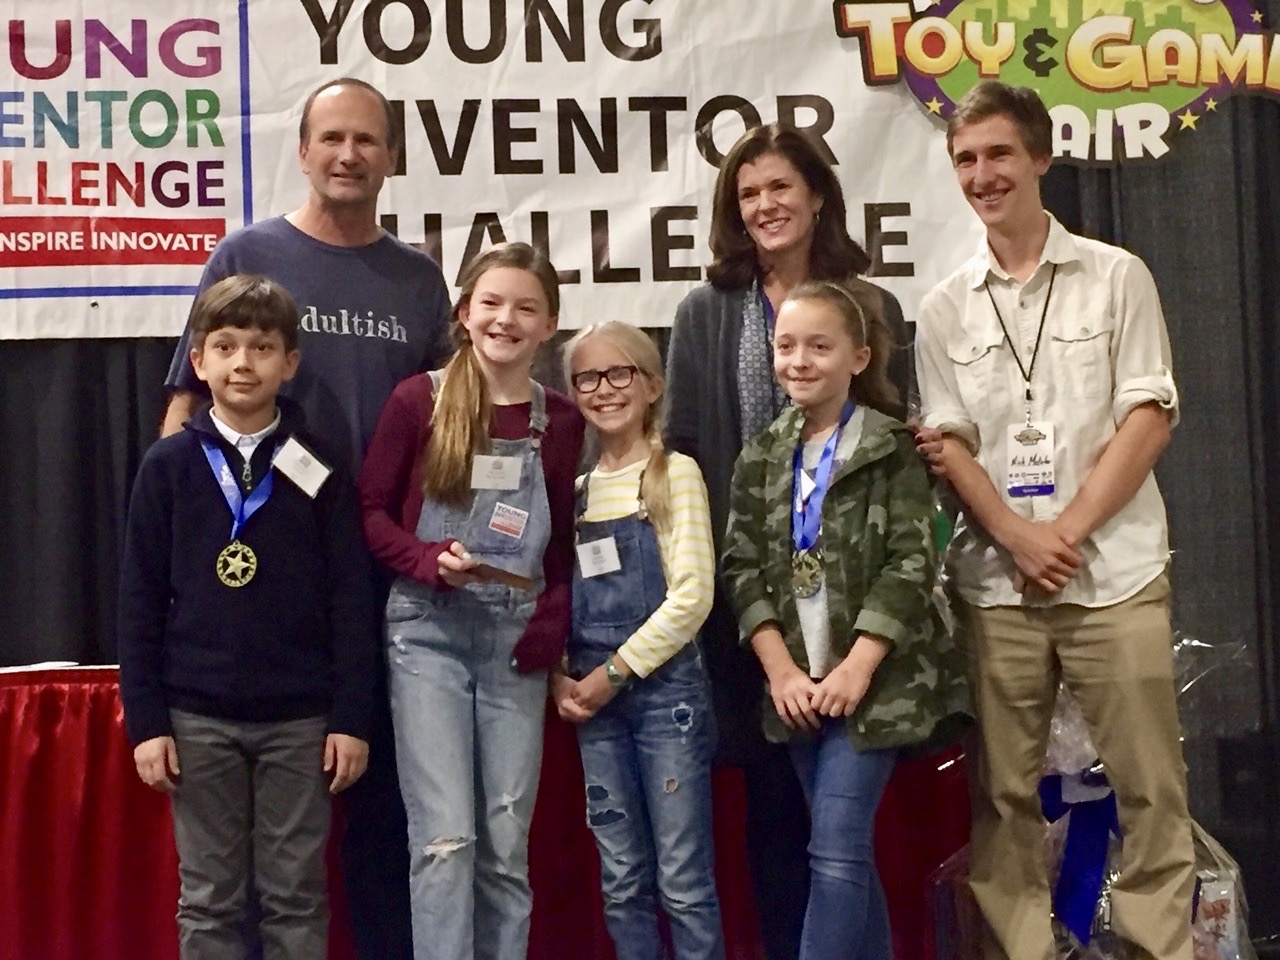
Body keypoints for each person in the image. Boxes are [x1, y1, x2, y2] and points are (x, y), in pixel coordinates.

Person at [160, 78, 452, 960]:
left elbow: (455, 420)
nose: (348, 155)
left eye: (366, 141)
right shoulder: (248, 253)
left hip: (386, 582)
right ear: (304, 150)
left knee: (379, 814)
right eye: (332, 138)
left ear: (391, 158)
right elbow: (184, 409)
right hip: (266, 585)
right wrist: (182, 552)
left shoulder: (418, 279)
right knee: (233, 873)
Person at [914, 80, 1193, 960]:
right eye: (966, 159)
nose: (982, 174)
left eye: (999, 154)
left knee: (1152, 790)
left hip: (1115, 573)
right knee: (1003, 799)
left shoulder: (1117, 276)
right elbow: (947, 443)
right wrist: (1015, 536)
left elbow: (1149, 415)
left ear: (1040, 157)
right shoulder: (944, 306)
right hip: (998, 588)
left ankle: (1158, 949)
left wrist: (1061, 531)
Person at [664, 122, 910, 960]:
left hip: (857, 613)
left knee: (842, 829)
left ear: (815, 196)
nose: (765, 205)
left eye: (779, 187)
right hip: (754, 611)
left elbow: (895, 443)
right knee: (774, 814)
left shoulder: (874, 306)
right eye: (748, 193)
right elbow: (687, 452)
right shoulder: (704, 311)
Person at [119, 274, 377, 960]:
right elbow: (138, 601)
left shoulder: (319, 466)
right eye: (225, 347)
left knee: (296, 894)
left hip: (300, 720)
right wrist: (147, 723)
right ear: (197, 362)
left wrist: (351, 716)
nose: (242, 363)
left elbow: (352, 598)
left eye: (261, 347)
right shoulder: (168, 466)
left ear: (289, 362)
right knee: (209, 898)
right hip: (197, 718)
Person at [721, 280, 967, 960]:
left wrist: (858, 667)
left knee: (833, 850)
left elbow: (912, 565)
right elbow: (739, 568)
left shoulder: (892, 449)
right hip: (798, 687)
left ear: (858, 357)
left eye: (819, 347)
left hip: (875, 686)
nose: (799, 360)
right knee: (843, 856)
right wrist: (781, 673)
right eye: (786, 346)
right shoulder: (761, 457)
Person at [358, 242, 585, 960]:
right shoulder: (416, 401)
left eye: (525, 307)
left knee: (504, 839)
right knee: (446, 838)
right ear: (463, 312)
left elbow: (560, 546)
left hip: (515, 646)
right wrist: (426, 559)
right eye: (490, 302)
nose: (505, 319)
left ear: (549, 324)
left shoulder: (564, 422)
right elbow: (370, 511)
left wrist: (551, 624)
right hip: (427, 635)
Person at [553, 322, 724, 960]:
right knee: (621, 880)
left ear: (652, 385)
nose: (604, 390)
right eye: (587, 378)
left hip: (664, 702)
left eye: (619, 373)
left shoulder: (674, 473)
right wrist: (561, 677)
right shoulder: (572, 494)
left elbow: (693, 597)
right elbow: (559, 599)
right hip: (594, 706)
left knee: (682, 881)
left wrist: (615, 673)